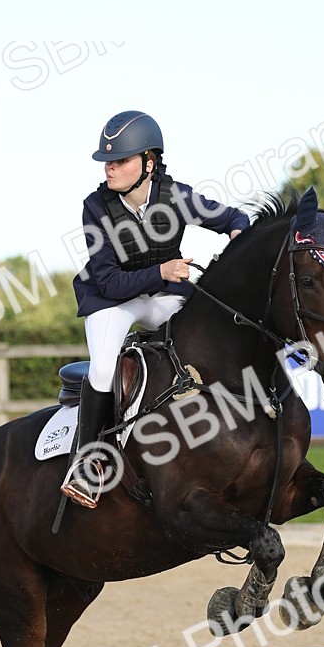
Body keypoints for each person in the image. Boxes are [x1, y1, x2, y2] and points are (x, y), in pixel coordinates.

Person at [61, 110, 250, 508]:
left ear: (149, 162)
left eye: (120, 161)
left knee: (208, 337)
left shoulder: (175, 196)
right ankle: (89, 460)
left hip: (163, 297)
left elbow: (234, 219)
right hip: (112, 302)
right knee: (102, 366)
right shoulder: (95, 207)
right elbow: (110, 282)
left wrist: (238, 239)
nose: (110, 168)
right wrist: (162, 269)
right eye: (108, 162)